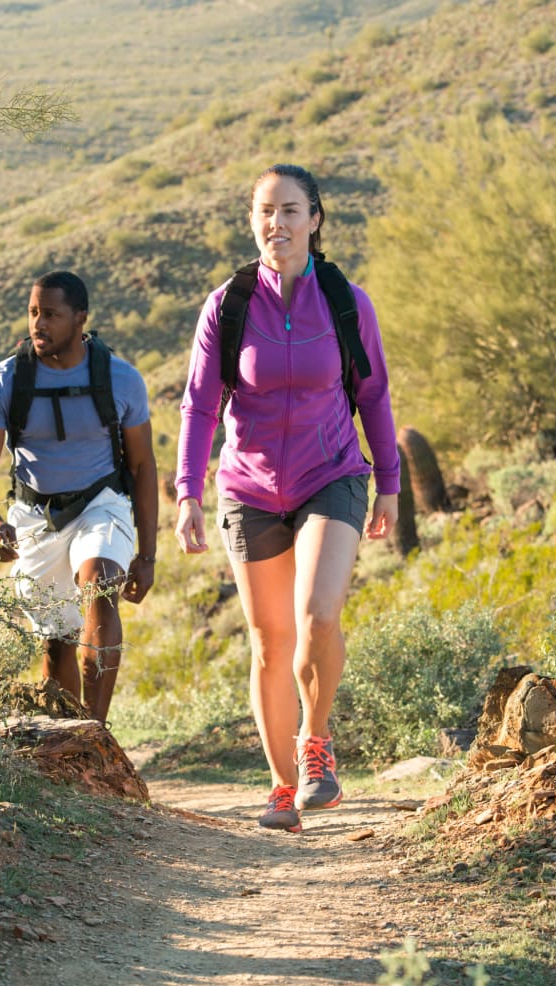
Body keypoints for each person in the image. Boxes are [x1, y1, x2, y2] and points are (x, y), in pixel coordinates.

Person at [174, 164, 400, 833]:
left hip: (330, 473)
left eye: (291, 210)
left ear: (316, 219)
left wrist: (388, 480)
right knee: (271, 642)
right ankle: (280, 786)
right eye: (265, 211)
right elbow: (199, 405)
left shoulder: (345, 301)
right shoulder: (229, 305)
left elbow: (374, 394)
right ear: (253, 220)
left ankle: (316, 745)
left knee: (316, 613)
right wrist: (188, 491)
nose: (278, 224)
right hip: (248, 487)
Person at [0, 269, 158, 724]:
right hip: (35, 516)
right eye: (33, 313)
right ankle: (68, 737)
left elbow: (143, 467)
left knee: (100, 581)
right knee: (56, 643)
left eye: (50, 314)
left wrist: (146, 555)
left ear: (80, 318)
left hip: (102, 504)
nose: (38, 324)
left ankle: (96, 732)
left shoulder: (121, 379)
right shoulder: (4, 380)